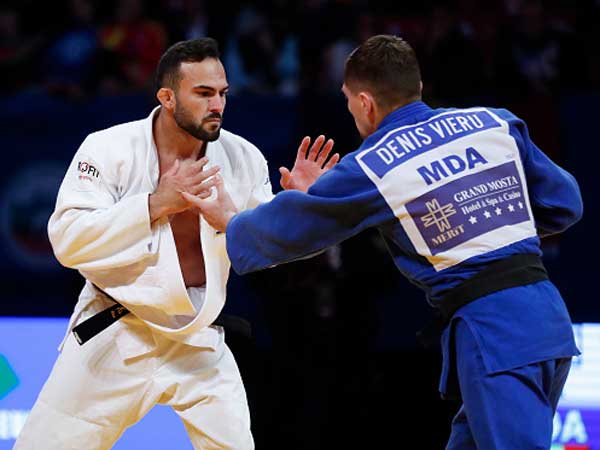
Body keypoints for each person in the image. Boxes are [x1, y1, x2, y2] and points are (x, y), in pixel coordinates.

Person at [185, 34, 584, 450]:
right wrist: (487, 225)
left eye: (347, 100)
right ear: (418, 88)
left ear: (364, 103)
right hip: (546, 318)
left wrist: (231, 221)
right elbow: (564, 203)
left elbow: (293, 228)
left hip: (495, 334)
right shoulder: (494, 123)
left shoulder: (376, 164)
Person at [14, 37, 337, 450]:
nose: (216, 104)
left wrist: (300, 210)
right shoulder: (109, 148)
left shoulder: (244, 159)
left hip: (197, 340)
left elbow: (267, 253)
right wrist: (154, 204)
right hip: (115, 330)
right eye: (202, 93)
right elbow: (67, 240)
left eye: (222, 93)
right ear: (167, 97)